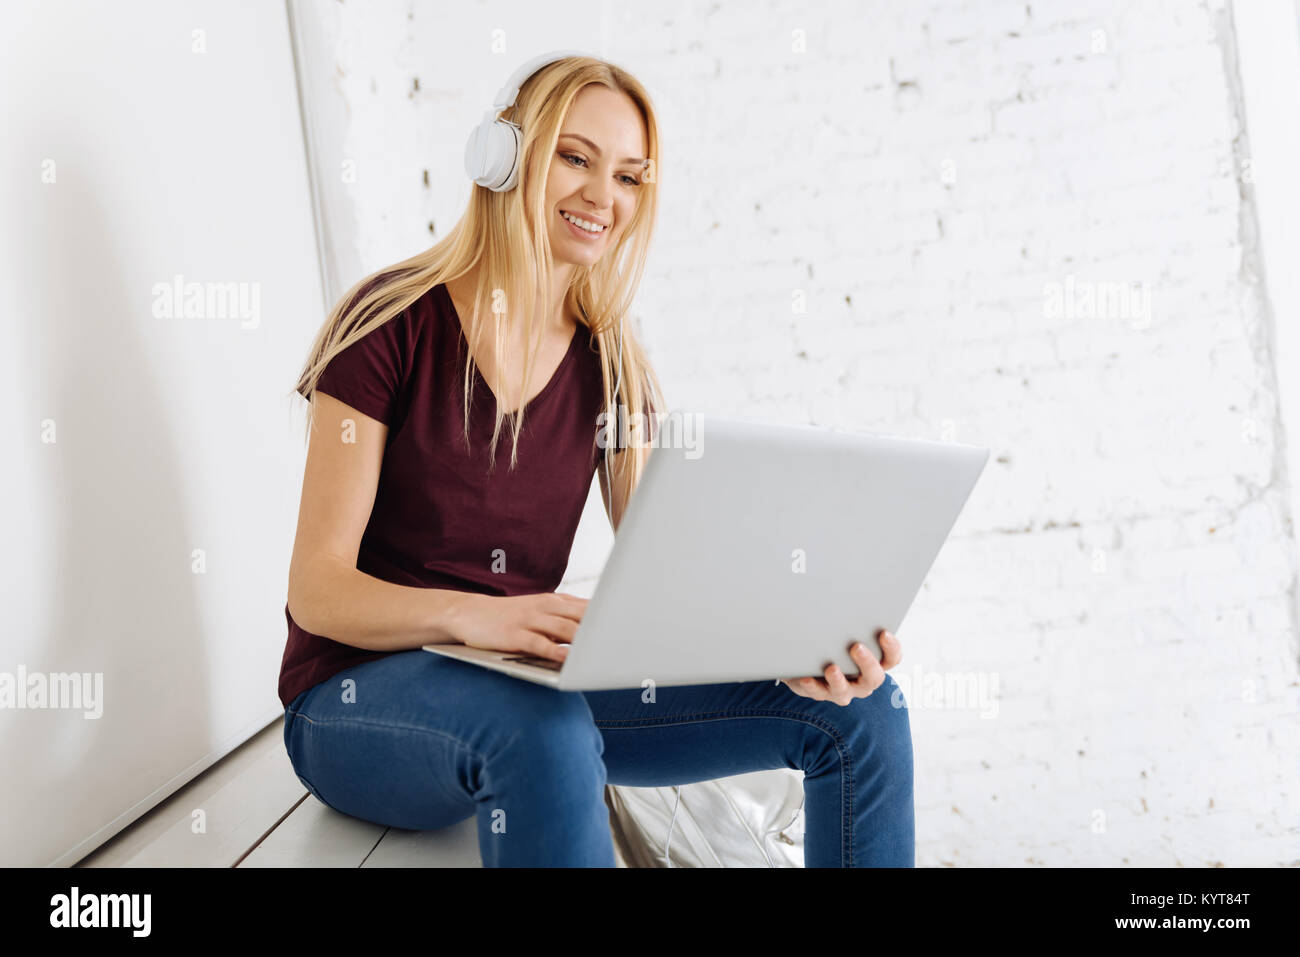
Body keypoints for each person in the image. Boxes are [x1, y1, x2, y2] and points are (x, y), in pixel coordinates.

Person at [278, 53, 914, 867]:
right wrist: (473, 614)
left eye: (628, 176)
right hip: (355, 697)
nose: (602, 197)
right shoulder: (389, 320)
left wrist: (791, 648)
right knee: (541, 727)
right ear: (504, 157)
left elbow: (666, 580)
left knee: (863, 712)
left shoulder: (610, 361)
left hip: (527, 681)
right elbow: (318, 588)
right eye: (576, 158)